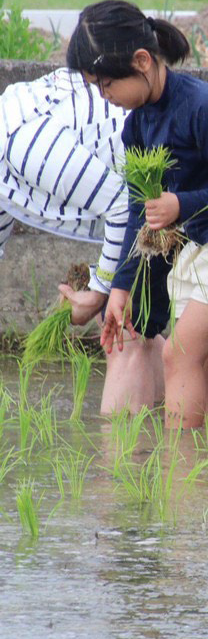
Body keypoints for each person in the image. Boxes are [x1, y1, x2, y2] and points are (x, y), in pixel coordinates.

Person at [66, 0, 208, 430]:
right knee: (200, 363)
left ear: (143, 61)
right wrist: (120, 288)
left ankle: (179, 475)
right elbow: (139, 210)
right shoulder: (136, 126)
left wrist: (180, 205)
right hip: (206, 240)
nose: (105, 96)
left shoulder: (205, 107)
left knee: (178, 354)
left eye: (108, 83)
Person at [0, 67, 167, 413]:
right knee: (141, 332)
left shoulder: (20, 143)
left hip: (159, 185)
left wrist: (98, 291)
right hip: (146, 198)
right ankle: (174, 454)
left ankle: (122, 463)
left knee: (123, 333)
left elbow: (124, 206)